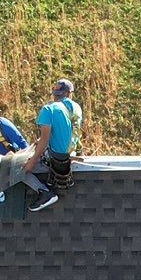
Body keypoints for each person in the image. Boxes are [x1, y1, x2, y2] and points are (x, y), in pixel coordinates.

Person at [32, 78, 85, 209]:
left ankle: (46, 193)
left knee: (20, 169)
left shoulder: (49, 109)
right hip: (72, 155)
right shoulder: (77, 108)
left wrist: (31, 162)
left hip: (56, 158)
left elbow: (44, 141)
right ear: (69, 93)